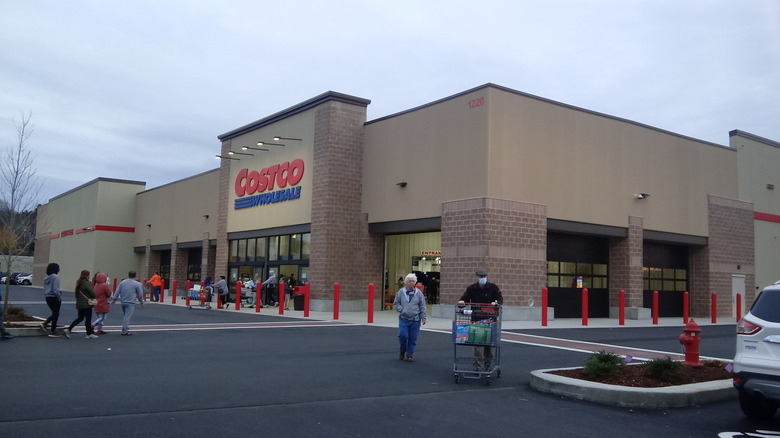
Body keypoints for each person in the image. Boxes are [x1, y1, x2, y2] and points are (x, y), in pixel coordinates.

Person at [458, 268, 503, 371]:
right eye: (480, 277)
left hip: (489, 320)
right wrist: (461, 303)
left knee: (488, 345)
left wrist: (496, 303)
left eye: (484, 277)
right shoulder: (472, 288)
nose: (482, 278)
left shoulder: (493, 288)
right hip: (477, 319)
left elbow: (500, 299)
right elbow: (464, 298)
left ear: (486, 277)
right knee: (478, 345)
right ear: (477, 277)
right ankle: (477, 366)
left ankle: (488, 365)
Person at [393, 273, 427, 362]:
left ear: (415, 283)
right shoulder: (401, 292)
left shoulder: (419, 293)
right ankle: (402, 350)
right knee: (402, 335)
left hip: (415, 319)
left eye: (413, 281)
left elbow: (422, 305)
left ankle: (410, 354)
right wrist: (402, 310)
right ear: (406, 282)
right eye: (409, 281)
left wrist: (423, 317)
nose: (411, 283)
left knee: (413, 338)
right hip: (404, 319)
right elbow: (396, 303)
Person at [65, 270, 98, 339]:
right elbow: (93, 294)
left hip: (80, 304)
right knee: (88, 319)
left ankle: (69, 329)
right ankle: (88, 333)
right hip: (87, 304)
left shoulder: (79, 282)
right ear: (87, 276)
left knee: (80, 318)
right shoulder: (87, 283)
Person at [110, 271, 145, 335]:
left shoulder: (122, 283)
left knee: (125, 315)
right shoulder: (137, 284)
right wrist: (141, 301)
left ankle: (125, 327)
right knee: (127, 316)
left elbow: (117, 291)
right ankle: (125, 330)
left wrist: (114, 299)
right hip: (131, 302)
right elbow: (140, 294)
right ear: (135, 276)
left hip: (123, 301)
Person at [42, 262, 63, 337]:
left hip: (48, 297)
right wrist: (59, 296)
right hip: (54, 297)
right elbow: (55, 289)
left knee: (55, 313)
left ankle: (47, 323)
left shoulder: (46, 277)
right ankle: (52, 330)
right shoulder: (56, 277)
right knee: (56, 313)